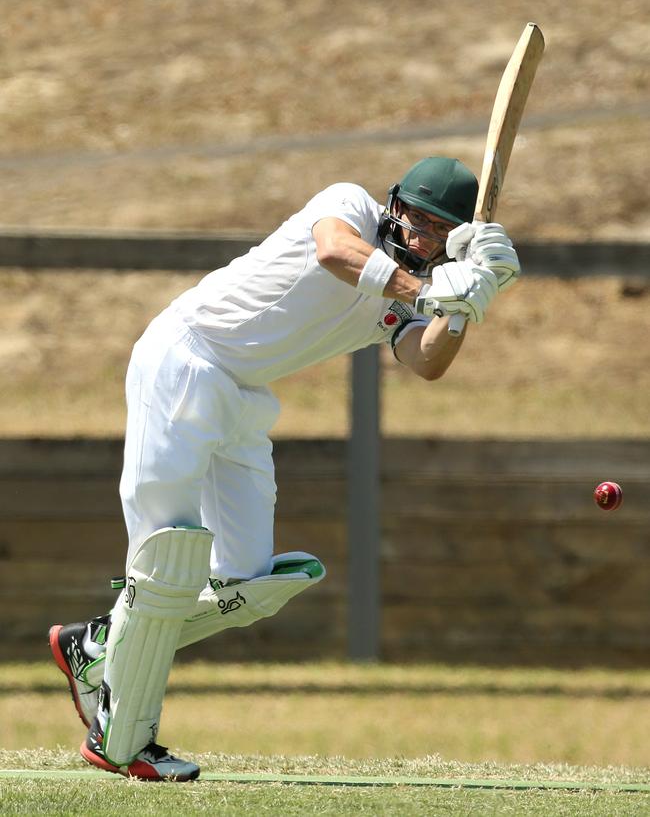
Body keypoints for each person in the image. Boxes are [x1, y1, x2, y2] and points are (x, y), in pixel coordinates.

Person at [48, 156, 520, 781]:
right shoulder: (349, 206)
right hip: (185, 359)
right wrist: (434, 291)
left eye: (440, 231)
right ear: (395, 205)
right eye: (416, 220)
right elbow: (333, 253)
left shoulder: (417, 288)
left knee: (249, 581)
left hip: (244, 396)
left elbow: (427, 361)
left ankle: (99, 646)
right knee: (168, 558)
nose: (422, 237)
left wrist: (469, 300)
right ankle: (122, 741)